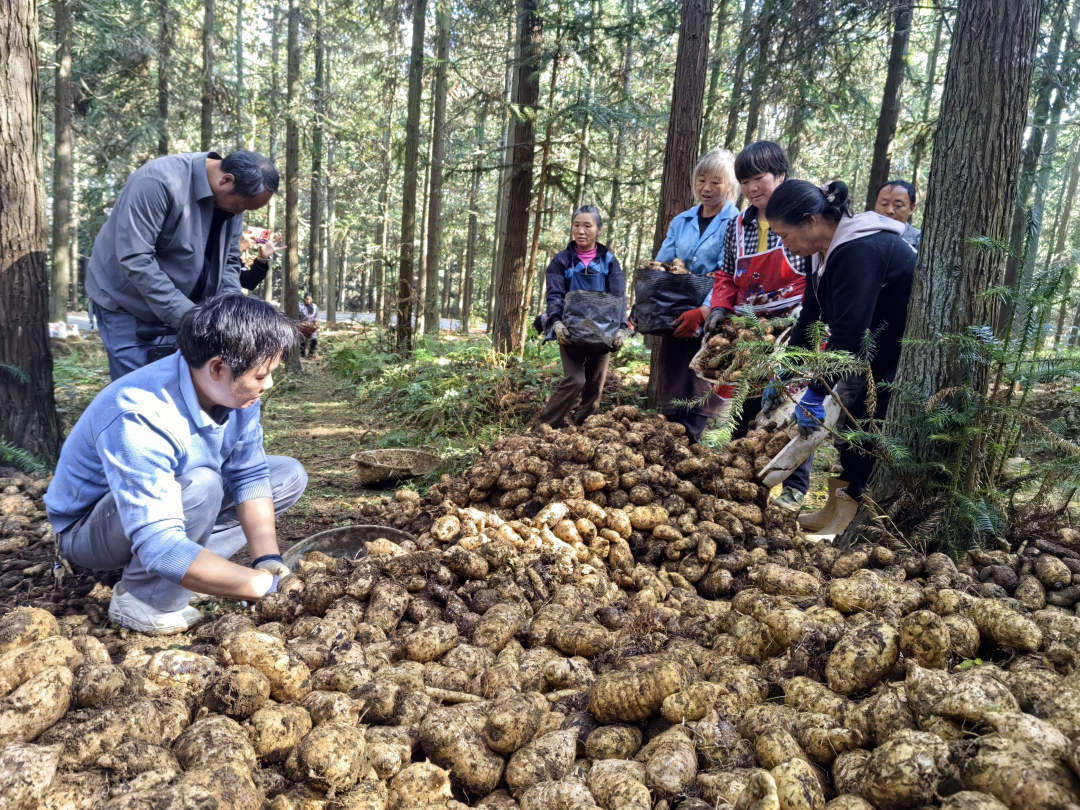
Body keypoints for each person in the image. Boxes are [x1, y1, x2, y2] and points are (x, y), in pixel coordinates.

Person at [44, 294, 307, 635]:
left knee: (286, 475)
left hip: (158, 507)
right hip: (88, 529)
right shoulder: (139, 412)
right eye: (261, 375)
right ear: (217, 367)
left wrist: (267, 563)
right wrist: (264, 589)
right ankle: (143, 599)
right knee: (202, 486)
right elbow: (159, 543)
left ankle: (191, 572)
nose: (267, 384)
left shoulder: (238, 391)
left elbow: (249, 474)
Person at [764, 180, 916, 535]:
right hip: (868, 353)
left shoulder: (858, 249)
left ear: (811, 220)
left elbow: (848, 335)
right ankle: (840, 506)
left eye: (785, 235)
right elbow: (810, 316)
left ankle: (857, 516)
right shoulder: (820, 253)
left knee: (866, 428)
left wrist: (816, 394)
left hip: (894, 353)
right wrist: (787, 369)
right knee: (848, 431)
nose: (784, 243)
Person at [86, 150, 279, 380]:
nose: (240, 213)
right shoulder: (158, 182)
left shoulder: (232, 201)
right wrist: (191, 319)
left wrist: (226, 314)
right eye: (240, 205)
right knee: (140, 391)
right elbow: (136, 258)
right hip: (129, 305)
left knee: (183, 390)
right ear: (226, 180)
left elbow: (229, 259)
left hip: (187, 310)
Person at [703, 141, 812, 509]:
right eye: (745, 181)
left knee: (790, 407)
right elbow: (727, 275)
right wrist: (720, 308)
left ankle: (795, 485)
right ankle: (738, 474)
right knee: (747, 400)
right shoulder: (737, 225)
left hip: (794, 326)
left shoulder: (804, 215)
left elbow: (817, 272)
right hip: (752, 328)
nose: (753, 188)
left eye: (759, 178)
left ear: (780, 175)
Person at [652, 148, 740, 442]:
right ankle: (670, 445)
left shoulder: (737, 224)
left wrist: (704, 310)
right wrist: (652, 303)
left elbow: (728, 275)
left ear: (730, 185)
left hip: (713, 315)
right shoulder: (682, 221)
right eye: (701, 180)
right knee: (674, 381)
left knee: (700, 383)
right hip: (676, 312)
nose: (707, 187)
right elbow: (662, 266)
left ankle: (690, 446)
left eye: (716, 181)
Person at [533, 206, 628, 429]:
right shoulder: (561, 261)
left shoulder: (609, 262)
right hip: (570, 332)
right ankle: (542, 429)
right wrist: (556, 322)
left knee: (594, 386)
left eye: (588, 225)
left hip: (602, 333)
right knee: (576, 379)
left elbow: (618, 297)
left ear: (598, 230)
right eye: (577, 225)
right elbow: (555, 295)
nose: (581, 230)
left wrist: (621, 328)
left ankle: (583, 431)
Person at [873, 179, 921, 250]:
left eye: (898, 205)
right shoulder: (861, 235)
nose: (889, 211)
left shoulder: (920, 241)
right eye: (884, 204)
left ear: (911, 209)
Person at [238, 227, 282, 292]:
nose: (251, 245)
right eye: (252, 239)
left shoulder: (237, 260)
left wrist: (261, 260)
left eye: (256, 242)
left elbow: (249, 282)